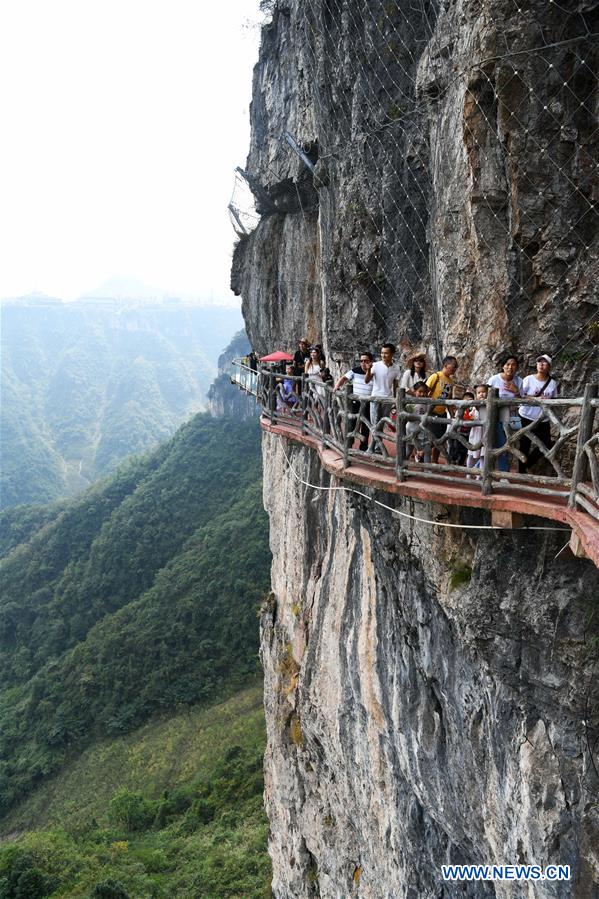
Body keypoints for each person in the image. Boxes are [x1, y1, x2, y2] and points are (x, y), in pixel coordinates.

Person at [518, 354, 558, 473]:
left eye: (544, 362)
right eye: (539, 362)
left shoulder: (552, 383)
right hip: (526, 416)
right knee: (525, 444)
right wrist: (534, 399)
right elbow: (520, 396)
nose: (541, 364)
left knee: (546, 445)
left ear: (549, 367)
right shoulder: (528, 379)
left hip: (542, 419)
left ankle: (527, 463)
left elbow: (554, 399)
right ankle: (521, 471)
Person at [487, 353, 523, 473]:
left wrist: (516, 391)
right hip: (497, 417)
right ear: (503, 366)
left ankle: (503, 471)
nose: (510, 367)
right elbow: (485, 397)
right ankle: (502, 472)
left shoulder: (519, 381)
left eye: (513, 365)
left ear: (517, 368)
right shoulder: (494, 379)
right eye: (507, 364)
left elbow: (522, 400)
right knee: (501, 443)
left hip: (514, 417)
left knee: (512, 444)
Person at [364, 343, 401, 452]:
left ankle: (376, 448)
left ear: (392, 354)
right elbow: (367, 381)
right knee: (375, 424)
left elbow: (396, 385)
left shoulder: (396, 368)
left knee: (381, 424)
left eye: (386, 353)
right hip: (375, 398)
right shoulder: (375, 365)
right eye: (382, 353)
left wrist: (395, 400)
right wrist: (368, 370)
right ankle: (374, 449)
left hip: (388, 399)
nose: (383, 355)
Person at [335, 352, 374, 451]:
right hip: (356, 403)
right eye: (361, 361)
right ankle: (348, 445)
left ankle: (363, 447)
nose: (363, 363)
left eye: (366, 361)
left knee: (366, 426)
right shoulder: (355, 371)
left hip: (369, 403)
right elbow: (344, 378)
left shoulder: (374, 372)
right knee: (352, 423)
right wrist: (336, 386)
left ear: (371, 361)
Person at [425, 356, 458, 462]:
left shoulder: (450, 381)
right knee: (431, 438)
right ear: (445, 365)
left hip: (442, 413)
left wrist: (452, 414)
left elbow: (449, 399)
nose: (455, 368)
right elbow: (425, 392)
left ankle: (435, 461)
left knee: (440, 439)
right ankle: (425, 460)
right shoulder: (436, 376)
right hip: (431, 411)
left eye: (456, 367)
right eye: (453, 366)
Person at [406, 381, 432, 463]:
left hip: (423, 430)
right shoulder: (410, 403)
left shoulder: (428, 402)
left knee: (427, 450)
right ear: (414, 391)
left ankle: (427, 470)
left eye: (424, 392)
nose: (422, 394)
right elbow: (408, 417)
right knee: (409, 449)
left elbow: (428, 414)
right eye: (420, 392)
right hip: (411, 429)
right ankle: (403, 466)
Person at [447, 389, 475, 466]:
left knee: (464, 450)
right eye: (466, 400)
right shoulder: (459, 410)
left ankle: (461, 463)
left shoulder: (473, 411)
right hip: (458, 433)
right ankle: (452, 460)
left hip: (467, 434)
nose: (467, 402)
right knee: (455, 449)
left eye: (470, 401)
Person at [466, 385, 488, 473]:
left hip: (485, 434)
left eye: (483, 392)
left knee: (483, 456)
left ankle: (480, 475)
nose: (481, 394)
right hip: (475, 434)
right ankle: (468, 472)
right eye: (479, 393)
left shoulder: (489, 405)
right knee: (471, 454)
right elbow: (470, 417)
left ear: (488, 393)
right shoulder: (474, 406)